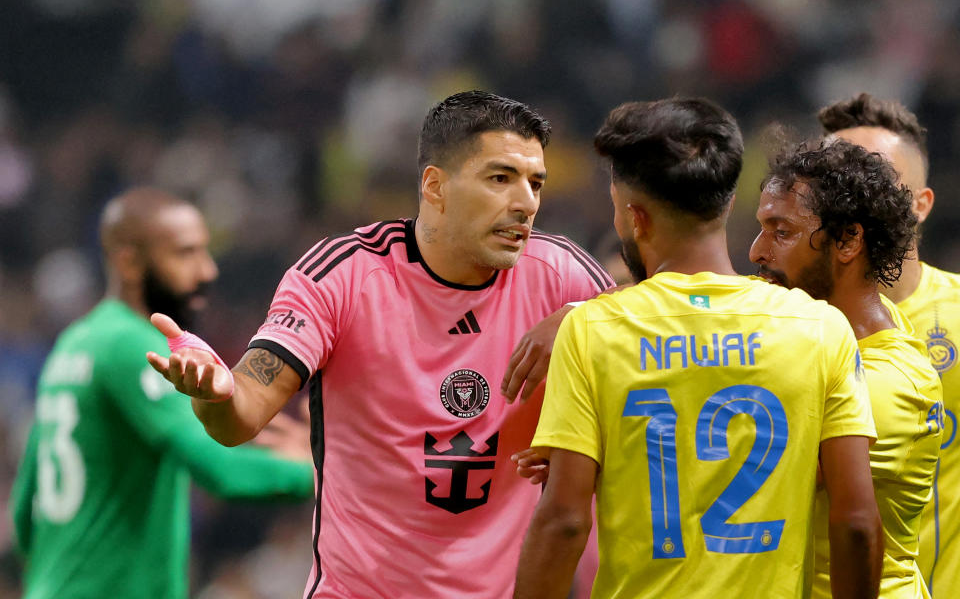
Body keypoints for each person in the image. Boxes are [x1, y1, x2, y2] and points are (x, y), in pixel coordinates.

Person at [146, 90, 615, 598]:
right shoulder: (344, 274)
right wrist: (212, 393)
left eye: (535, 183)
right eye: (500, 178)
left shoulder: (564, 279)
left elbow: (654, 335)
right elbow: (239, 414)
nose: (525, 202)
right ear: (435, 186)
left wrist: (579, 317)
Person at [514, 98, 882, 599]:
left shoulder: (592, 331)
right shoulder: (820, 329)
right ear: (728, 204)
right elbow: (857, 522)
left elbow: (563, 524)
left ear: (634, 218)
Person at [8, 188, 315, 599]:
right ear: (130, 262)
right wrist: (317, 470)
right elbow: (220, 470)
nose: (207, 270)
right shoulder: (132, 347)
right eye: (185, 253)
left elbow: (24, 510)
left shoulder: (74, 344)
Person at [749, 138, 943, 598]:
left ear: (848, 240)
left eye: (782, 232)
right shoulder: (839, 331)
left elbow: (736, 468)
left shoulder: (888, 382)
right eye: (761, 228)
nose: (756, 251)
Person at [818, 93, 959, 595]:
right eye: (835, 187)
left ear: (920, 205)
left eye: (876, 184)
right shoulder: (791, 325)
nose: (853, 202)